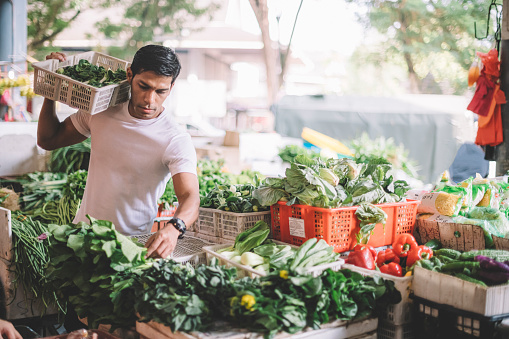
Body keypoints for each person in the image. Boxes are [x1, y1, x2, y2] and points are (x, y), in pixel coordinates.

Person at [37, 45, 200, 259]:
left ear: (172, 86)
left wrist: (174, 227)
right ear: (130, 74)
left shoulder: (175, 139)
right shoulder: (100, 109)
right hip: (81, 237)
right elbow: (48, 140)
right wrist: (52, 89)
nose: (150, 100)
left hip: (129, 249)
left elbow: (190, 197)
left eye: (161, 91)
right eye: (144, 86)